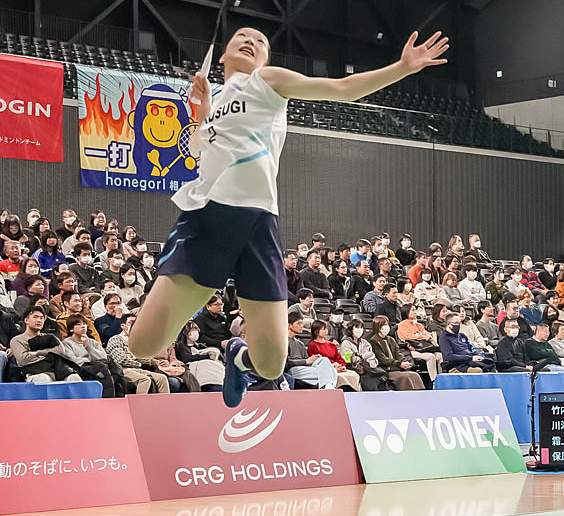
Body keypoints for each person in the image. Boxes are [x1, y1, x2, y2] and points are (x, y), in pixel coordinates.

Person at [127, 25, 450, 408]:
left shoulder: (267, 81)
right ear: (224, 55)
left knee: (270, 363)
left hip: (256, 223)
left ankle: (238, 356)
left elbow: (342, 89)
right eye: (242, 37)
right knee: (142, 346)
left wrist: (402, 67)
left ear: (266, 58)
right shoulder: (215, 100)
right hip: (206, 220)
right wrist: (203, 112)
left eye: (260, 41)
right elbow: (203, 151)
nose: (251, 41)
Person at [106, 315, 170, 394]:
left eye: (136, 323)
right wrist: (139, 362)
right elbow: (121, 359)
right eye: (131, 322)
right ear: (123, 326)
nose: (134, 326)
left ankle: (165, 402)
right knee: (144, 380)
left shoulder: (138, 342)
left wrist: (156, 362)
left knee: (162, 378)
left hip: (138, 369)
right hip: (122, 370)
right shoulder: (115, 339)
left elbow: (144, 357)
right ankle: (139, 402)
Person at [306, 319, 361, 390]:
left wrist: (342, 366)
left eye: (326, 329)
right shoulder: (312, 345)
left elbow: (339, 358)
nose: (326, 331)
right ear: (316, 331)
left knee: (354, 375)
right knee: (340, 377)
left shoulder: (331, 345)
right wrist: (333, 366)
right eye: (323, 329)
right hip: (326, 369)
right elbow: (316, 361)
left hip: (338, 367)